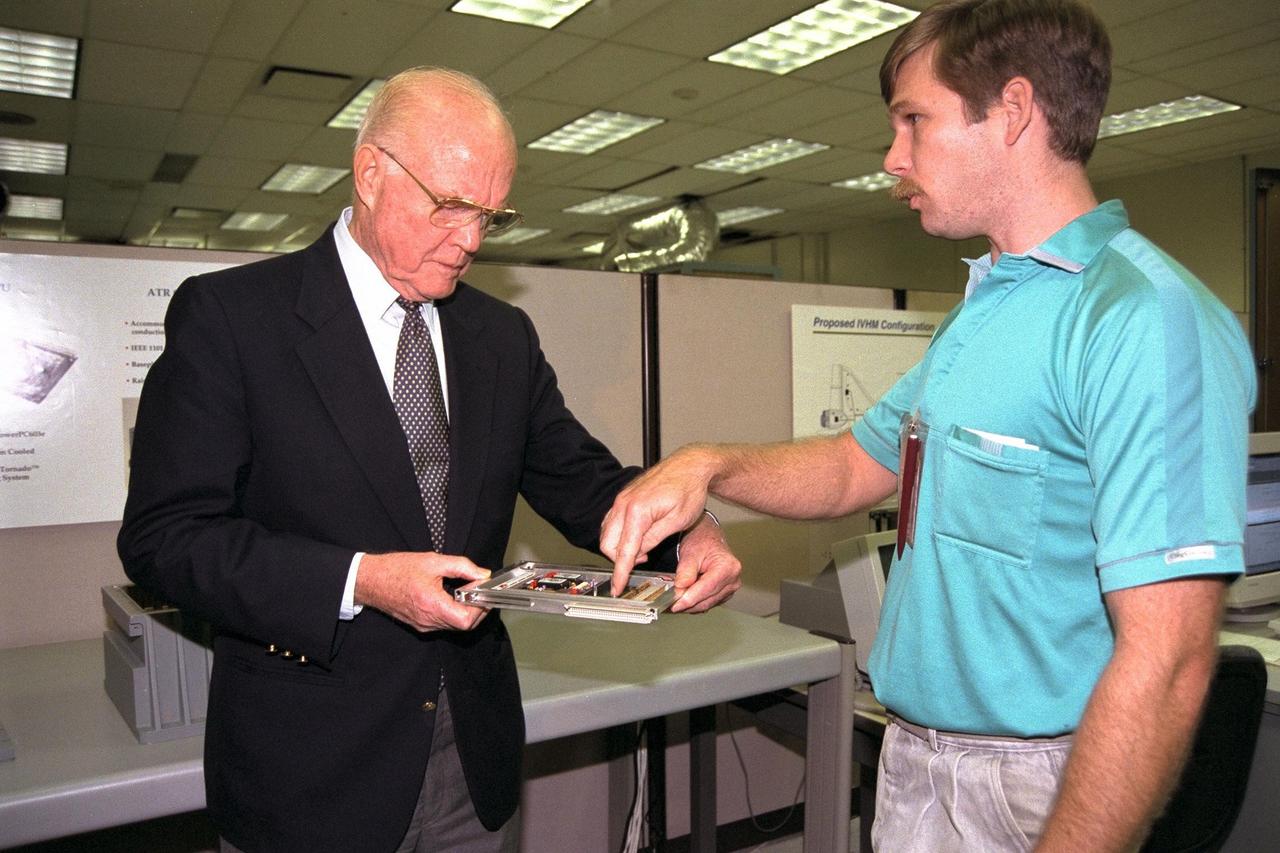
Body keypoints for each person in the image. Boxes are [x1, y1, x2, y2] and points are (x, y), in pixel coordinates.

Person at [600, 1, 1256, 850]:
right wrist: (707, 463)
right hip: (918, 763)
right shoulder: (984, 311)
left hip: (1038, 786)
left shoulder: (1143, 320)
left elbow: (1168, 663)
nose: (893, 156)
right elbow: (849, 466)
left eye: (915, 121)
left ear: (1013, 112)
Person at [117, 67, 740, 853]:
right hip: (309, 767)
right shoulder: (234, 320)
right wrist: (360, 580)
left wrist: (689, 532)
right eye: (451, 205)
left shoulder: (500, 337)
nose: (473, 239)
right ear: (371, 173)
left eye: (492, 214)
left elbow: (581, 478)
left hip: (469, 756)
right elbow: (164, 538)